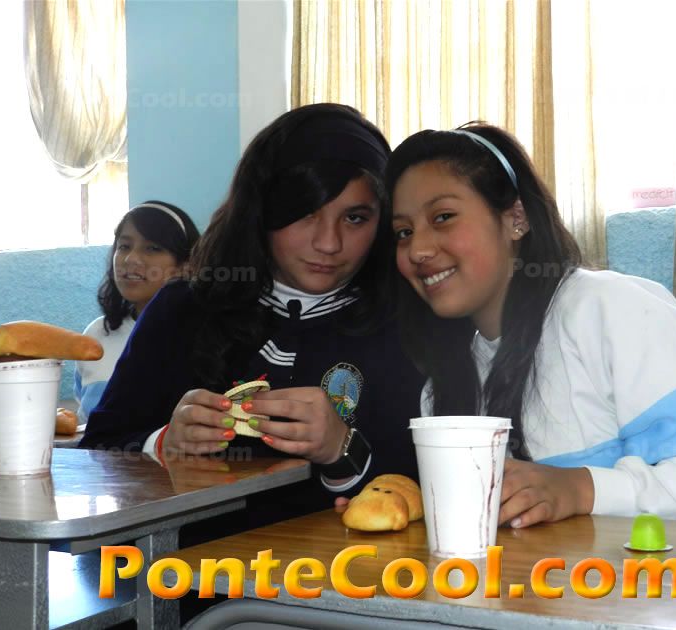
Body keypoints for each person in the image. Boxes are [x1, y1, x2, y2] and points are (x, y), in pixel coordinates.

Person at [385, 123, 676, 528]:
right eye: (403, 232)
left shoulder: (615, 311)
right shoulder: (442, 390)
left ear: (516, 218)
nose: (418, 249)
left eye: (443, 217)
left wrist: (582, 489)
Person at [79, 104, 424, 536]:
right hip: (190, 574)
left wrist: (343, 449)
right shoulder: (181, 310)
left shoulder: (408, 323)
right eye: (305, 213)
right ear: (260, 210)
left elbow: (432, 485)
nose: (329, 243)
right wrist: (163, 443)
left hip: (347, 575)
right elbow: (96, 452)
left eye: (355, 218)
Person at [74, 202, 200, 424]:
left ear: (186, 265)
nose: (130, 259)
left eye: (152, 248)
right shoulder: (96, 335)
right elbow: (86, 426)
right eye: (124, 246)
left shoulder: (202, 338)